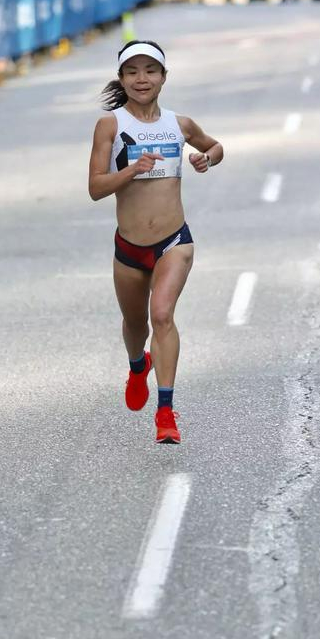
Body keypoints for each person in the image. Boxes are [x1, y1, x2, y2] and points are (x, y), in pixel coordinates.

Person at [88, 41, 224, 444]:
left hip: (173, 241)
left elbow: (214, 146)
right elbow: (95, 188)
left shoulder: (179, 124)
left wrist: (206, 159)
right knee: (136, 324)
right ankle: (137, 366)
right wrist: (131, 171)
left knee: (162, 315)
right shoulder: (110, 126)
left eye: (150, 70)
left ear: (164, 77)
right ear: (121, 79)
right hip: (129, 247)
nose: (141, 79)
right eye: (132, 72)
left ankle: (165, 412)